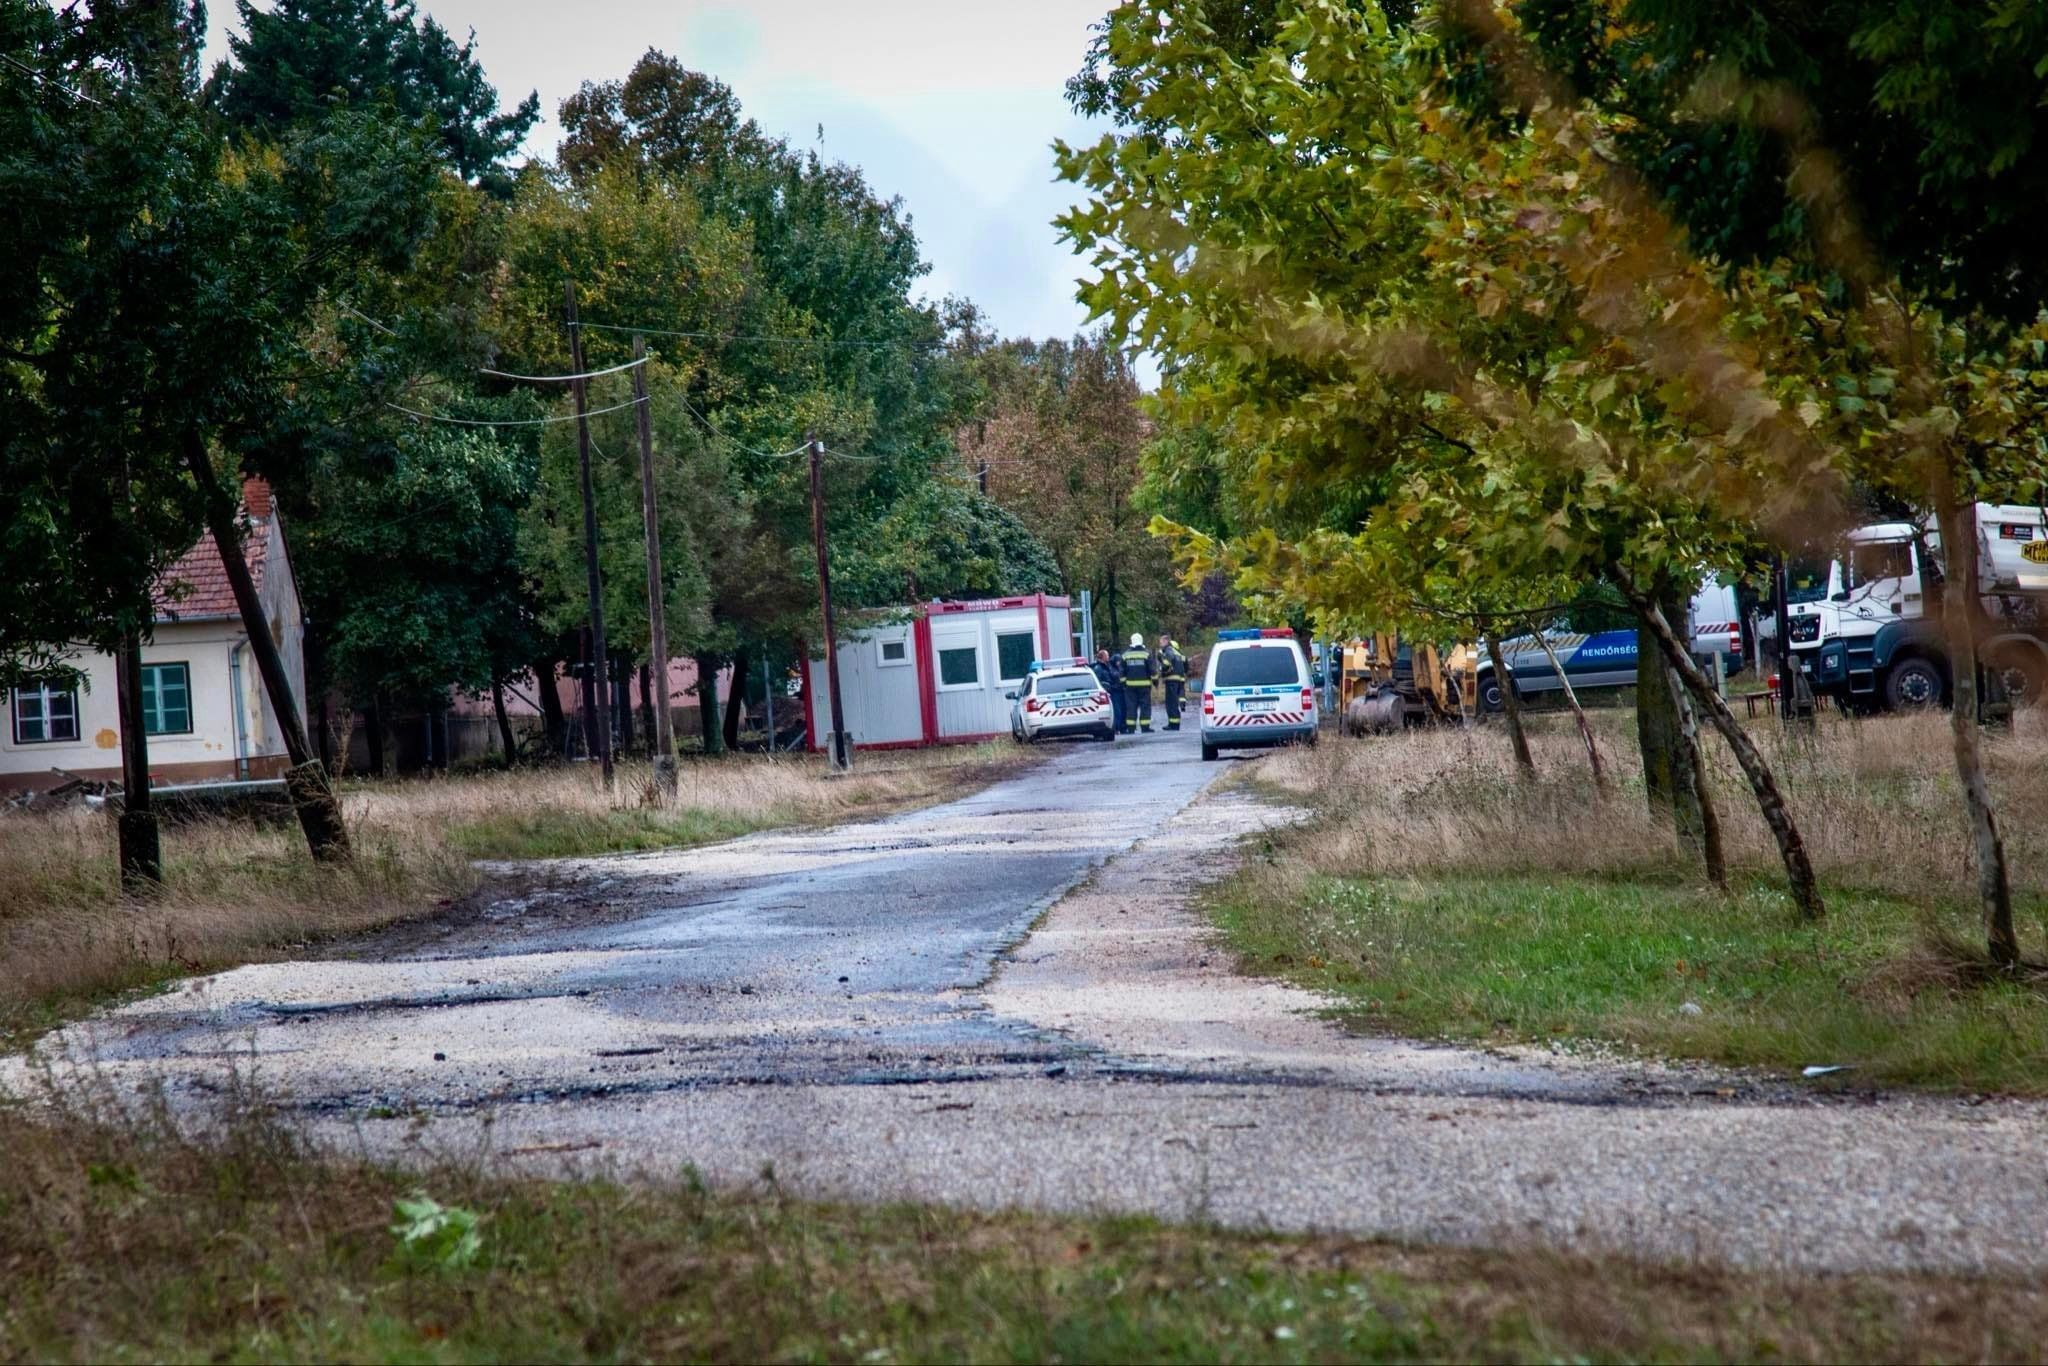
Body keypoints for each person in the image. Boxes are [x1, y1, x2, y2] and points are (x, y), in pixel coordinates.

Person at [1119, 632, 1154, 733]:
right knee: (1145, 706)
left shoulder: (1125, 655)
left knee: (1131, 707)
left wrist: (1124, 683)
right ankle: (1145, 727)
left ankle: (1131, 728)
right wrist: (1155, 681)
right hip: (1145, 686)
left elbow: (1121, 672)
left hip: (1130, 687)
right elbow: (1152, 670)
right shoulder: (1146, 654)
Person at [1093, 646, 1125, 735]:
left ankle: (1119, 727)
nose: (1108, 657)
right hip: (1109, 692)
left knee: (1118, 710)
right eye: (1107, 655)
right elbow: (1099, 681)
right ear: (1102, 657)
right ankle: (1116, 728)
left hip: (1113, 691)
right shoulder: (1099, 668)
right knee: (1116, 710)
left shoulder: (1106, 666)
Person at [1159, 634, 1188, 731]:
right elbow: (1185, 666)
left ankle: (1173, 724)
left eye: (1161, 642)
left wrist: (1161, 669)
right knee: (1173, 702)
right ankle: (1173, 723)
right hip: (1178, 680)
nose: (1160, 644)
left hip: (1171, 680)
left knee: (1171, 703)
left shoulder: (1169, 651)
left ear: (1166, 642)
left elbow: (1167, 663)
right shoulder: (1177, 652)